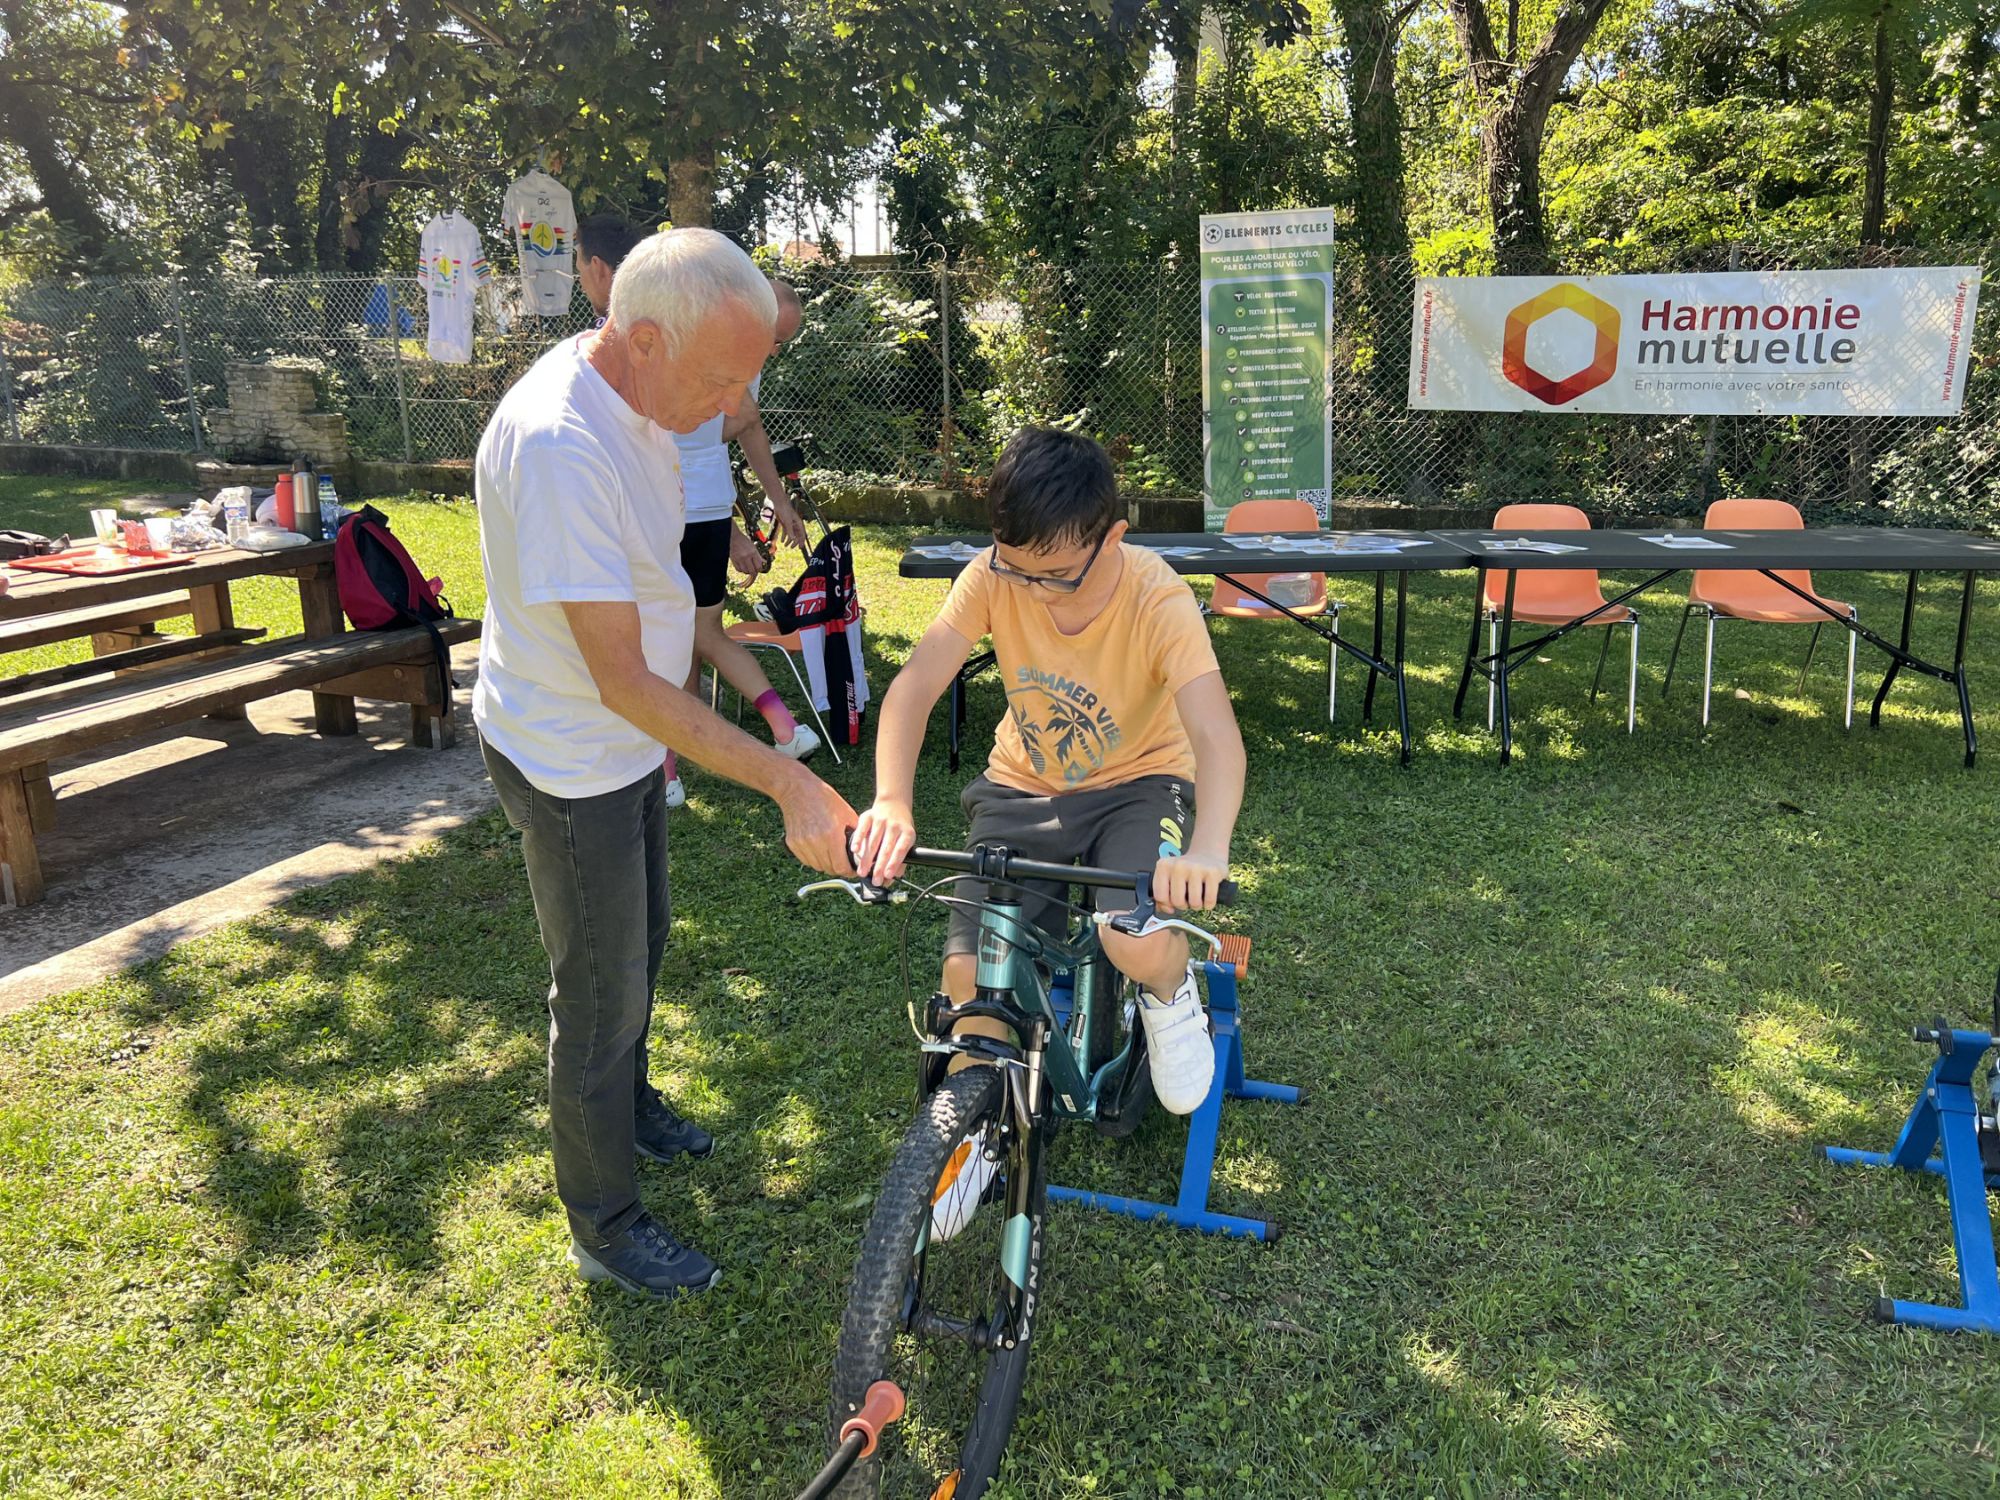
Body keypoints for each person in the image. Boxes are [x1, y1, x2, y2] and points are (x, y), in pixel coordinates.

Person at [473, 228, 856, 1299]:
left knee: (640, 943)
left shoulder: (644, 397)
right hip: (569, 754)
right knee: (599, 993)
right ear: (642, 338)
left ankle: (629, 1107)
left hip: (625, 744)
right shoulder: (561, 445)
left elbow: (657, 594)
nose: (737, 406)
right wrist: (787, 775)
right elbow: (623, 680)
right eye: (724, 380)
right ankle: (603, 1224)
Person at [849, 426, 1246, 1238]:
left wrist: (1208, 848)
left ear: (1113, 538)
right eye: (1014, 568)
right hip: (1023, 784)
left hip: (1141, 783)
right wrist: (890, 798)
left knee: (1131, 936)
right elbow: (916, 685)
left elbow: (1216, 737)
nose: (1032, 591)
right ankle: (975, 1134)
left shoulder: (1157, 594)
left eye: (1056, 575)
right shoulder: (992, 577)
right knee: (970, 975)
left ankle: (1170, 994)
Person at [664, 278, 817, 807]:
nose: (772, 353)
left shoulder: (729, 350)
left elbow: (742, 427)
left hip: (693, 506)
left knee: (681, 634)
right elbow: (729, 426)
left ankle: (669, 770)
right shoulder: (700, 341)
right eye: (773, 338)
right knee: (692, 634)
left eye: (781, 343)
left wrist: (772, 507)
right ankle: (776, 730)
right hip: (676, 506)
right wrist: (731, 530)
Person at [576, 213, 647, 319]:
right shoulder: (665, 314)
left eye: (580, 272)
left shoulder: (612, 327)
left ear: (598, 269)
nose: (582, 288)